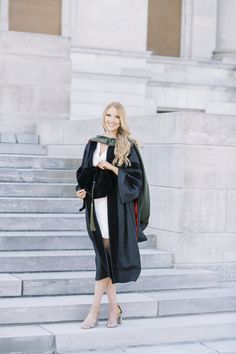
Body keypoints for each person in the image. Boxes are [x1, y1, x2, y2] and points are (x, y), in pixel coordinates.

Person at [75, 101, 150, 329]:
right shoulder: (92, 144)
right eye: (109, 115)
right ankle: (114, 308)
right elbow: (84, 173)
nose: (111, 120)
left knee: (105, 257)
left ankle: (95, 309)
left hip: (115, 211)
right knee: (104, 255)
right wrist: (81, 191)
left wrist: (112, 167)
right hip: (94, 209)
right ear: (103, 117)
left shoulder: (127, 145)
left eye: (116, 117)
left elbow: (135, 181)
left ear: (121, 120)